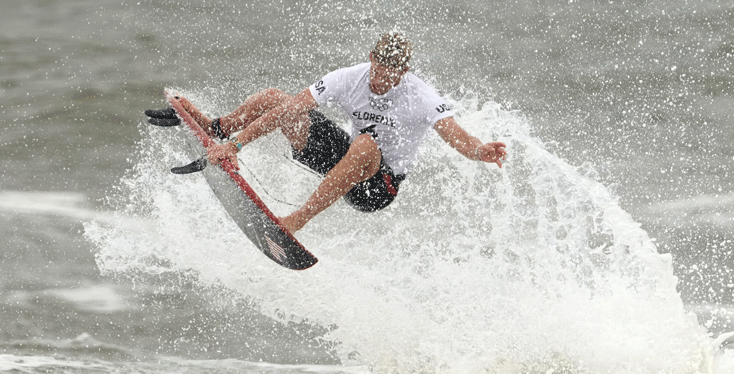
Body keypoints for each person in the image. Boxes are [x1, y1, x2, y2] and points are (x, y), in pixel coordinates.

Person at [146, 32, 507, 234]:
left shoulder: (422, 96)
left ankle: (296, 220)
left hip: (377, 186)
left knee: (366, 145)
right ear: (371, 58)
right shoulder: (349, 78)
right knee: (278, 99)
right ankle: (219, 127)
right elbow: (291, 110)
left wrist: (480, 151)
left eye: (392, 75)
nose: (383, 80)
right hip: (343, 160)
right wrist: (236, 143)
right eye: (379, 70)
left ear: (405, 71)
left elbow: (456, 135)